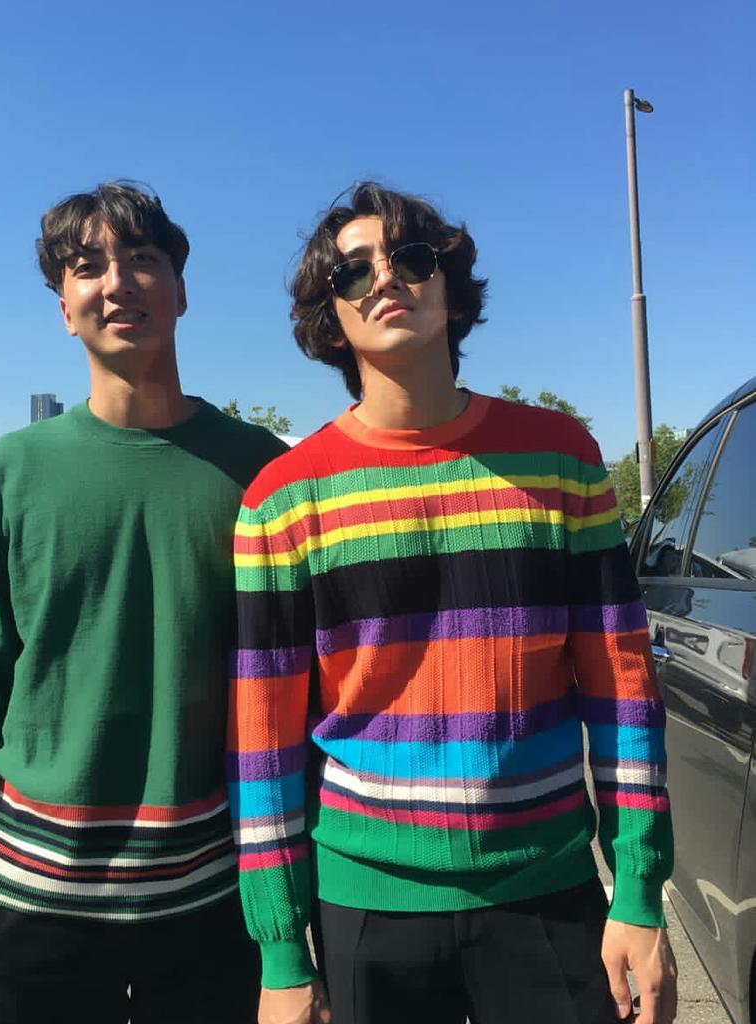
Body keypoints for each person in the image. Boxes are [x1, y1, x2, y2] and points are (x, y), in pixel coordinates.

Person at [228, 182, 678, 1024]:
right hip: (363, 906)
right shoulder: (282, 497)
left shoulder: (561, 459)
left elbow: (621, 689)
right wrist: (282, 954)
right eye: (352, 270)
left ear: (452, 289)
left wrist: (638, 892)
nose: (384, 277)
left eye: (410, 258)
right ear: (330, 318)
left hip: (548, 891)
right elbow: (263, 741)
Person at [0, 181, 286, 1024]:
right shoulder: (8, 474)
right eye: (87, 267)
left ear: (181, 291)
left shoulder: (261, 471)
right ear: (64, 307)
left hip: (212, 901)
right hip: (21, 907)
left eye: (142, 259)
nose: (117, 282)